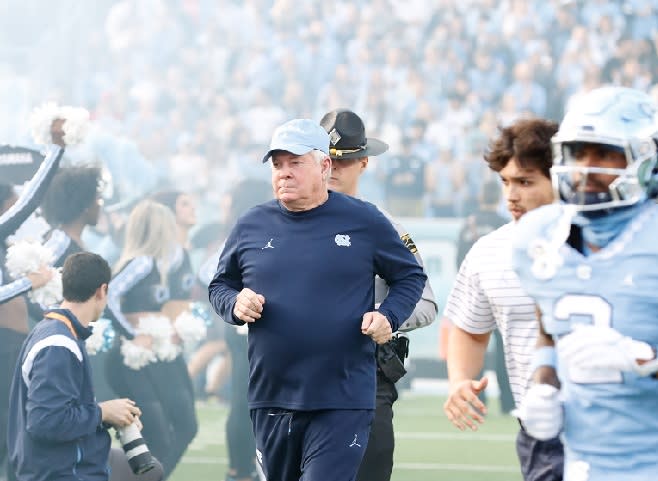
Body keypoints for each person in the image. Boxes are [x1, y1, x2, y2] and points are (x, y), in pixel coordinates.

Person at [208, 118, 427, 481]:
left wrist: (388, 315)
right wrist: (234, 303)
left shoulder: (364, 220)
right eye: (278, 164)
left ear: (324, 166)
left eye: (295, 162)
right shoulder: (250, 224)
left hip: (341, 398)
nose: (284, 173)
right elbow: (220, 286)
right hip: (271, 396)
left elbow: (410, 276)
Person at [512, 87, 658, 481]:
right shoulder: (538, 237)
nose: (587, 168)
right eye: (578, 153)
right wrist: (544, 381)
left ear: (645, 156)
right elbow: (550, 329)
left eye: (605, 153)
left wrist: (647, 360)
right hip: (582, 466)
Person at [442, 117, 564, 481]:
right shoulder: (489, 252)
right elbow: (470, 330)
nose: (511, 195)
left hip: (615, 422)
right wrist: (460, 379)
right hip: (539, 431)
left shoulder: (604, 238)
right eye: (506, 182)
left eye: (525, 182)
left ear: (560, 178)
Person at [319, 108, 437, 481]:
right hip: (300, 371)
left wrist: (385, 316)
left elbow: (426, 301)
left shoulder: (385, 227)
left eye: (347, 161)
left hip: (365, 372)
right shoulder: (284, 221)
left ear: (364, 163)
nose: (335, 170)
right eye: (327, 160)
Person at [6, 251, 142, 481]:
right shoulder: (58, 343)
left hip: (62, 465)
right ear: (102, 291)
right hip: (62, 472)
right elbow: (44, 422)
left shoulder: (55, 330)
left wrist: (110, 415)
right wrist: (102, 412)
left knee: (147, 470)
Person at [105, 200, 197, 479]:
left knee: (181, 428)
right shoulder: (141, 263)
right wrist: (132, 334)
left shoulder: (162, 263)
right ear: (159, 228)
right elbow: (107, 296)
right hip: (134, 360)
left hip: (157, 355)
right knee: (158, 438)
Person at [199, 179, 273, 481]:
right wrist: (241, 293)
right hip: (247, 324)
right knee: (244, 402)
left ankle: (247, 468)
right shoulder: (246, 230)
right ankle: (240, 470)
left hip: (254, 324)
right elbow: (209, 272)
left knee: (253, 401)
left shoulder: (252, 227)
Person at [0, 144, 63, 481]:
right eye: (9, 201)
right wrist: (58, 149)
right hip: (3, 347)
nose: (14, 208)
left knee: (13, 439)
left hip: (10, 344)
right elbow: (31, 201)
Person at [454, 180, 513, 414]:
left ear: (480, 197)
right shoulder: (504, 224)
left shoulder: (469, 224)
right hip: (499, 292)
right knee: (503, 353)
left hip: (473, 292)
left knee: (474, 348)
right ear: (498, 198)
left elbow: (460, 260)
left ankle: (477, 400)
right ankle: (509, 403)